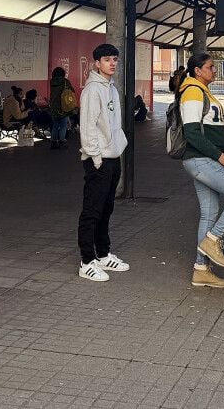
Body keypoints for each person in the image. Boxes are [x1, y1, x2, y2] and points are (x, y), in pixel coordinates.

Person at [178, 52, 224, 290]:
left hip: (203, 160)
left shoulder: (202, 91)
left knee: (209, 214)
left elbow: (205, 126)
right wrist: (220, 155)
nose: (214, 70)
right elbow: (191, 132)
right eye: (210, 67)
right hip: (202, 160)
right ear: (198, 71)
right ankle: (212, 240)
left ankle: (201, 271)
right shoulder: (193, 91)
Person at [76, 43, 130, 282]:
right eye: (107, 59)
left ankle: (104, 253)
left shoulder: (111, 89)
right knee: (92, 211)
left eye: (115, 59)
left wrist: (117, 148)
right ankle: (87, 261)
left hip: (113, 156)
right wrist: (96, 157)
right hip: (98, 161)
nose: (113, 63)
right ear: (96, 63)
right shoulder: (92, 91)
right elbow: (87, 127)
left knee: (106, 209)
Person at [48, 67, 76, 150]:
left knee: (55, 125)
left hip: (53, 106)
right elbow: (72, 91)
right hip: (63, 106)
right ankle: (61, 142)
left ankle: (53, 142)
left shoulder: (52, 82)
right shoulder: (65, 81)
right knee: (63, 125)